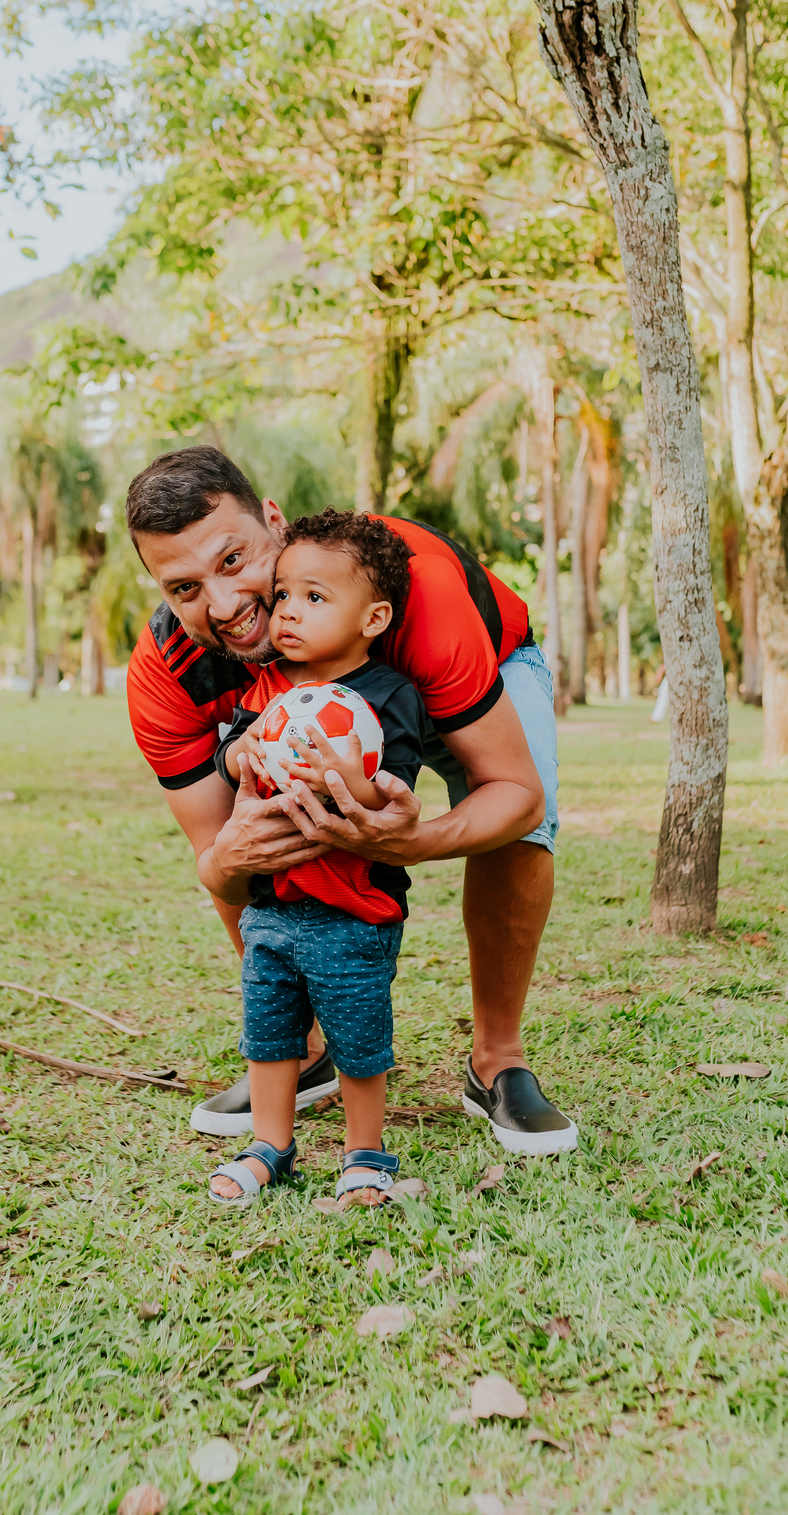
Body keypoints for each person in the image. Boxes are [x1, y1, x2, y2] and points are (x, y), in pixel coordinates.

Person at [125, 446, 577, 1156]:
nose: (223, 605)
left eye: (234, 561)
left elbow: (516, 796)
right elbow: (216, 859)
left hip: (470, 675)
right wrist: (233, 857)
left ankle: (498, 1061)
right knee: (254, 828)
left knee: (520, 825)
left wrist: (412, 841)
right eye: (183, 589)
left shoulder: (409, 597)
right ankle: (301, 1050)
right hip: (318, 730)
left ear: (273, 522)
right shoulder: (166, 677)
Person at [203, 510, 425, 1207]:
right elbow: (229, 749)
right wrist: (245, 751)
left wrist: (343, 775)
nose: (289, 614)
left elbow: (391, 794)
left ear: (374, 617)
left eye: (316, 598)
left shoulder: (388, 697)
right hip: (272, 906)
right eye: (286, 596)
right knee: (270, 1032)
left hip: (352, 909)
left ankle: (366, 1152)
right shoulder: (270, 690)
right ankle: (271, 1144)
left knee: (359, 1033)